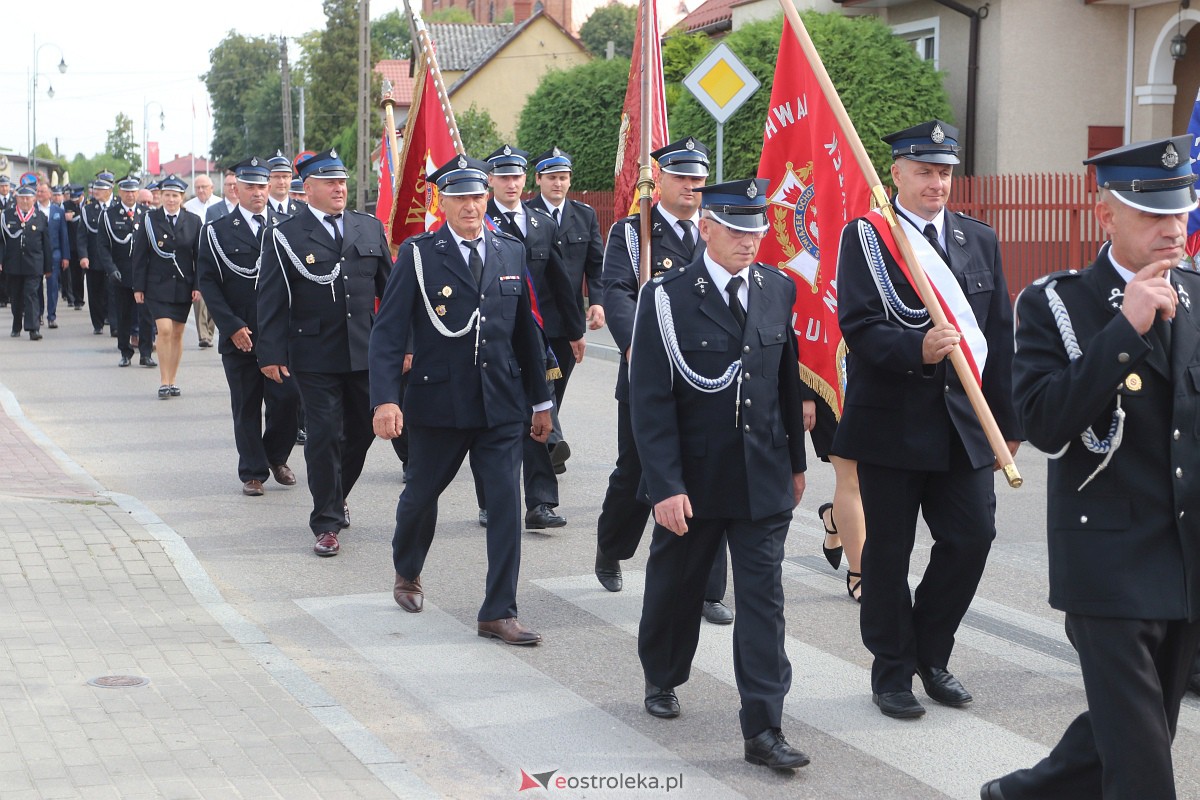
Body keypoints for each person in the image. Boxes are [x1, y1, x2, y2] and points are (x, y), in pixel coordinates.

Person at [981, 136, 1200, 800]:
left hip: (1183, 556)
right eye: (1150, 215)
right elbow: (1044, 423)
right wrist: (1124, 331)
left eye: (1179, 213)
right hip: (1105, 558)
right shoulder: (1057, 302)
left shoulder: (1196, 294)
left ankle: (1024, 793)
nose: (1170, 229)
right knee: (1141, 765)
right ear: (1106, 215)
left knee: (1140, 728)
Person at [833, 120, 1020, 720]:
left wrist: (1008, 424)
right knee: (889, 552)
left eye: (944, 172)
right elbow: (858, 326)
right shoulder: (867, 238)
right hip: (891, 422)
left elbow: (1000, 336)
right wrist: (916, 349)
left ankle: (931, 654)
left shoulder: (978, 239)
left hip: (965, 425)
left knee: (972, 538)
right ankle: (891, 670)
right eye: (924, 172)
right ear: (897, 173)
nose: (936, 183)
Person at [630, 178, 808, 770]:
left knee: (764, 600)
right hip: (694, 478)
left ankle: (764, 726)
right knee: (677, 588)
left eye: (757, 231)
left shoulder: (778, 289)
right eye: (736, 230)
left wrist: (796, 464)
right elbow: (650, 400)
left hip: (762, 476)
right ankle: (664, 674)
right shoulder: (668, 296)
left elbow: (786, 381)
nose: (749, 241)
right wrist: (665, 485)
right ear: (706, 228)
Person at [370, 155, 553, 645]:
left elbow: (525, 334)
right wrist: (385, 400)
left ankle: (499, 610)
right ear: (442, 202)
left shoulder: (509, 251)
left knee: (505, 506)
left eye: (477, 196)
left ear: (487, 197)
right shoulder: (418, 254)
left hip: (500, 405)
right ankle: (407, 568)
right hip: (438, 403)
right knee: (419, 497)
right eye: (460, 197)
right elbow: (387, 335)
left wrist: (541, 401)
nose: (471, 205)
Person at [596, 136, 734, 626]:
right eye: (683, 178)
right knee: (636, 471)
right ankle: (611, 547)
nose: (693, 187)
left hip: (706, 380)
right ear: (659, 182)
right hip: (649, 377)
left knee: (709, 478)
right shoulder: (634, 235)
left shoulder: (717, 232)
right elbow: (617, 291)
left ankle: (709, 590)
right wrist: (637, 346)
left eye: (699, 179)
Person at [258, 149, 391, 557]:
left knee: (364, 431)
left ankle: (337, 492)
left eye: (343, 182)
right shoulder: (286, 233)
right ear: (309, 187)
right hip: (313, 352)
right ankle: (327, 520)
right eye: (330, 182)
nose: (339, 188)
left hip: (364, 350)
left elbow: (392, 293)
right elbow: (271, 297)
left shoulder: (368, 228)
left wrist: (404, 347)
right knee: (323, 435)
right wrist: (270, 351)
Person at [473, 144, 585, 530]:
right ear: (490, 181)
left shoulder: (541, 224)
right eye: (503, 177)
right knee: (495, 420)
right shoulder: (478, 219)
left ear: (525, 180)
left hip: (541, 337)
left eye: (516, 176)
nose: (511, 184)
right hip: (494, 338)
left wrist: (574, 331)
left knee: (539, 415)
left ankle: (540, 503)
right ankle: (490, 500)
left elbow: (560, 281)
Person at [198, 157, 299, 496]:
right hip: (240, 333)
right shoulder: (217, 231)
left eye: (262, 186)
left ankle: (275, 455)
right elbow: (209, 282)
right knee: (246, 405)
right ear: (236, 189)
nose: (258, 193)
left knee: (287, 400)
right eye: (250, 187)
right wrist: (231, 327)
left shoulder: (286, 225)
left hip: (279, 335)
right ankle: (252, 472)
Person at [527, 147, 605, 416]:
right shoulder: (525, 215)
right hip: (533, 319)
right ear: (538, 179)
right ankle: (546, 449)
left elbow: (596, 266)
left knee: (555, 394)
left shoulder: (585, 215)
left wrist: (597, 302)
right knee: (535, 392)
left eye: (563, 177)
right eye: (551, 177)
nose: (558, 183)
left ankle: (544, 444)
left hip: (567, 321)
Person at [132, 175, 202, 398]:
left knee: (178, 334)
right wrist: (138, 287)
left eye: (175, 196)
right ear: (159, 196)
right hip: (157, 286)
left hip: (183, 285)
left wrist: (198, 285)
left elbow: (199, 257)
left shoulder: (193, 222)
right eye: (167, 195)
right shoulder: (149, 220)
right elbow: (140, 256)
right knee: (164, 330)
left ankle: (173, 380)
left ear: (182, 197)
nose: (171, 200)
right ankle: (163, 381)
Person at [96, 176, 156, 368]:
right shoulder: (109, 215)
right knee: (123, 315)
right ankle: (125, 351)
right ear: (120, 192)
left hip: (143, 275)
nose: (130, 195)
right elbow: (103, 246)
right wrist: (111, 269)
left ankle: (146, 353)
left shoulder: (147, 214)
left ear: (138, 192)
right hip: (121, 274)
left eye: (133, 191)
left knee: (146, 316)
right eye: (126, 191)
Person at [0, 184, 52, 340]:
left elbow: (46, 245)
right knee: (15, 297)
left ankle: (33, 328)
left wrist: (48, 267)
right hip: (13, 264)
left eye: (28, 198)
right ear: (16, 199)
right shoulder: (7, 216)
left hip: (34, 264)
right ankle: (16, 325)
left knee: (31, 295)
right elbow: (2, 241)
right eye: (21, 197)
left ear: (34, 199)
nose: (24, 201)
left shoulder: (40, 217)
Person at [185, 173, 224, 349]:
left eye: (204, 187)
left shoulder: (219, 205)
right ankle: (204, 335)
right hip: (197, 255)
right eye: (198, 187)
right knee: (200, 294)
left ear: (212, 188)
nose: (200, 190)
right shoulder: (188, 207)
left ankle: (210, 328)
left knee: (215, 295)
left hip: (219, 255)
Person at [78, 173, 115, 335]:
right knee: (95, 292)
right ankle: (98, 323)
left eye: (100, 189)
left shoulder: (117, 207)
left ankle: (114, 324)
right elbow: (81, 236)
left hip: (114, 259)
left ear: (109, 190)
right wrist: (83, 256)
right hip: (94, 258)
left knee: (114, 292)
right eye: (95, 188)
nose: (96, 191)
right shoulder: (87, 209)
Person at [34, 181, 70, 330]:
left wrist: (65, 256)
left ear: (49, 194)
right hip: (37, 253)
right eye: (38, 191)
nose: (39, 194)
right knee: (36, 286)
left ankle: (52, 316)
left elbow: (64, 235)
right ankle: (39, 314)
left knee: (53, 285)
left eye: (42, 191)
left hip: (54, 252)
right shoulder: (33, 210)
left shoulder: (57, 211)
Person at [63, 185, 86, 310]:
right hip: (73, 245)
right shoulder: (67, 205)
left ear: (82, 195)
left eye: (76, 198)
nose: (74, 200)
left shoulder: (89, 203)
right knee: (76, 274)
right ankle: (77, 299)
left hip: (88, 246)